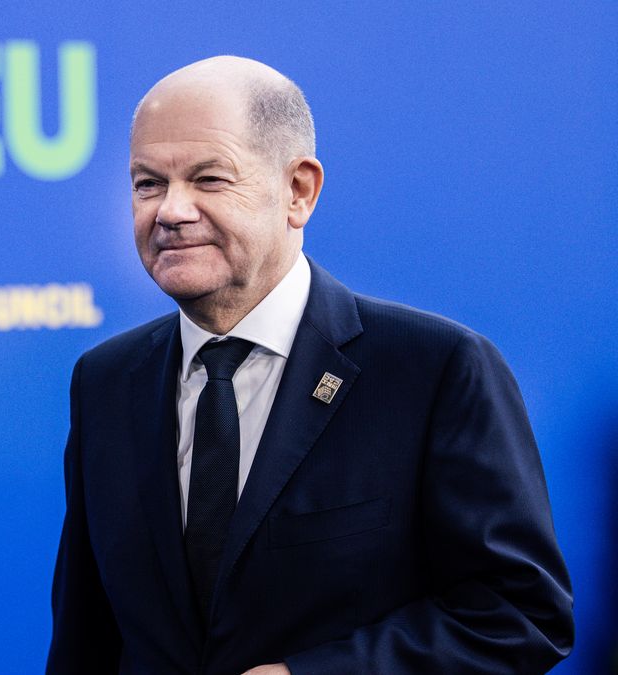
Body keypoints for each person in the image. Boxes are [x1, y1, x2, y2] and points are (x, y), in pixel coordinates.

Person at [46, 56, 573, 674]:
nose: (170, 210)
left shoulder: (435, 370)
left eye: (209, 179)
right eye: (148, 184)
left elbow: (519, 613)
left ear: (298, 191)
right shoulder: (106, 381)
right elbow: (86, 639)